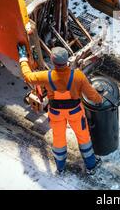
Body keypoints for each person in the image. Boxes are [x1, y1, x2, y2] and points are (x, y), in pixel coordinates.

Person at [17, 45, 103, 175]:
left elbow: (28, 77)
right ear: (66, 60)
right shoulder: (78, 76)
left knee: (58, 139)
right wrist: (100, 100)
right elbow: (92, 95)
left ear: (52, 61)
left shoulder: (46, 76)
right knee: (83, 137)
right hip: (75, 112)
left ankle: (61, 168)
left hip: (56, 113)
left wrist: (23, 59)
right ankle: (91, 165)